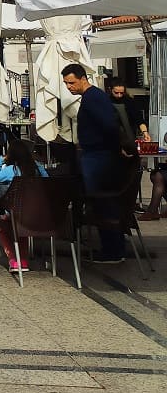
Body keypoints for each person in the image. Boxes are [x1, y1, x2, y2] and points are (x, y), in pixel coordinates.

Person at [62, 63, 126, 263]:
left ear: (83, 78)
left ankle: (113, 250)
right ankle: (110, 247)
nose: (69, 87)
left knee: (103, 202)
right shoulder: (90, 97)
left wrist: (115, 148)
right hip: (96, 155)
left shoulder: (93, 97)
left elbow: (109, 124)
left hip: (99, 157)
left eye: (71, 82)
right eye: (65, 83)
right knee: (100, 203)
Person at [0, 139, 49, 273]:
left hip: (14, 211)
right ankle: (24, 260)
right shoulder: (37, 168)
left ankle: (13, 260)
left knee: (0, 226)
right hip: (35, 212)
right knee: (22, 229)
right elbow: (47, 179)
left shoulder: (11, 170)